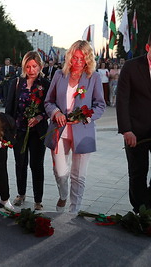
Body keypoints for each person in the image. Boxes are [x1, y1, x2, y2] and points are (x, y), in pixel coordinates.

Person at [44, 40, 105, 213]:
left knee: (78, 175)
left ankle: (74, 210)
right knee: (60, 171)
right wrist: (56, 112)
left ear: (88, 59)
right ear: (69, 56)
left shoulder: (94, 77)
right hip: (60, 130)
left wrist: (85, 118)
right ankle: (63, 195)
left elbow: (100, 105)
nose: (78, 62)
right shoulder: (59, 75)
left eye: (82, 58)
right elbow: (48, 101)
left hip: (82, 131)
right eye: (75, 57)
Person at [5, 51, 50, 211]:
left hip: (38, 131)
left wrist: (39, 117)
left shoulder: (45, 84)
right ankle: (21, 194)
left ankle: (38, 199)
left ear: (40, 66)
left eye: (34, 66)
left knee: (37, 165)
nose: (31, 70)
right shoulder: (17, 83)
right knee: (20, 163)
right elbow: (9, 109)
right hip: (20, 131)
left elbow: (50, 106)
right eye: (28, 66)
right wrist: (10, 131)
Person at [116, 33, 151, 213]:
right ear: (148, 48)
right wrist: (126, 130)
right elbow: (122, 100)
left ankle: (149, 207)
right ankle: (140, 211)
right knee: (138, 172)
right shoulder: (131, 67)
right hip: (135, 132)